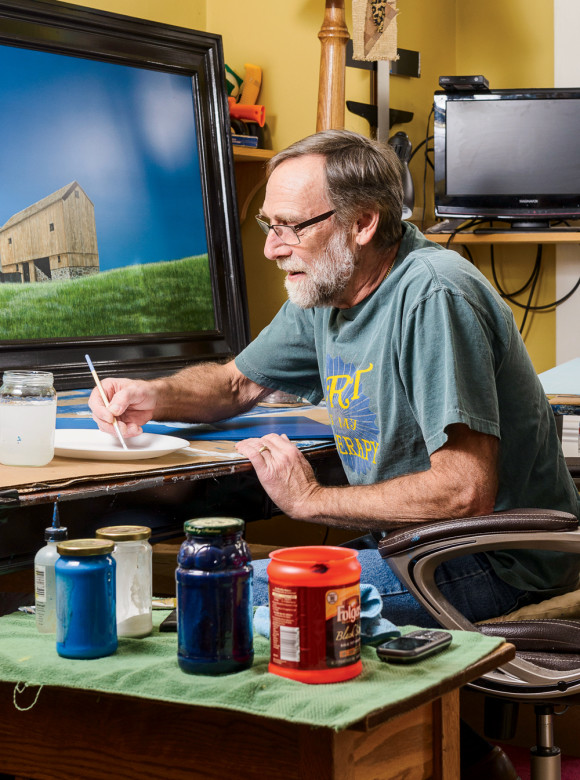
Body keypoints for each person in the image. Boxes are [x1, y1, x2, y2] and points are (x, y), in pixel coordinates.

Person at [90, 129, 579, 778]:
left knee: (235, 600)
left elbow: (465, 491)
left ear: (363, 223)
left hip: (491, 556)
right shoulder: (326, 288)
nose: (271, 248)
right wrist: (151, 395)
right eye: (268, 224)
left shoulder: (433, 296)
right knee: (222, 581)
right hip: (413, 544)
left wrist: (311, 500)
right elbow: (238, 383)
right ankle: (468, 758)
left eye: (289, 226)